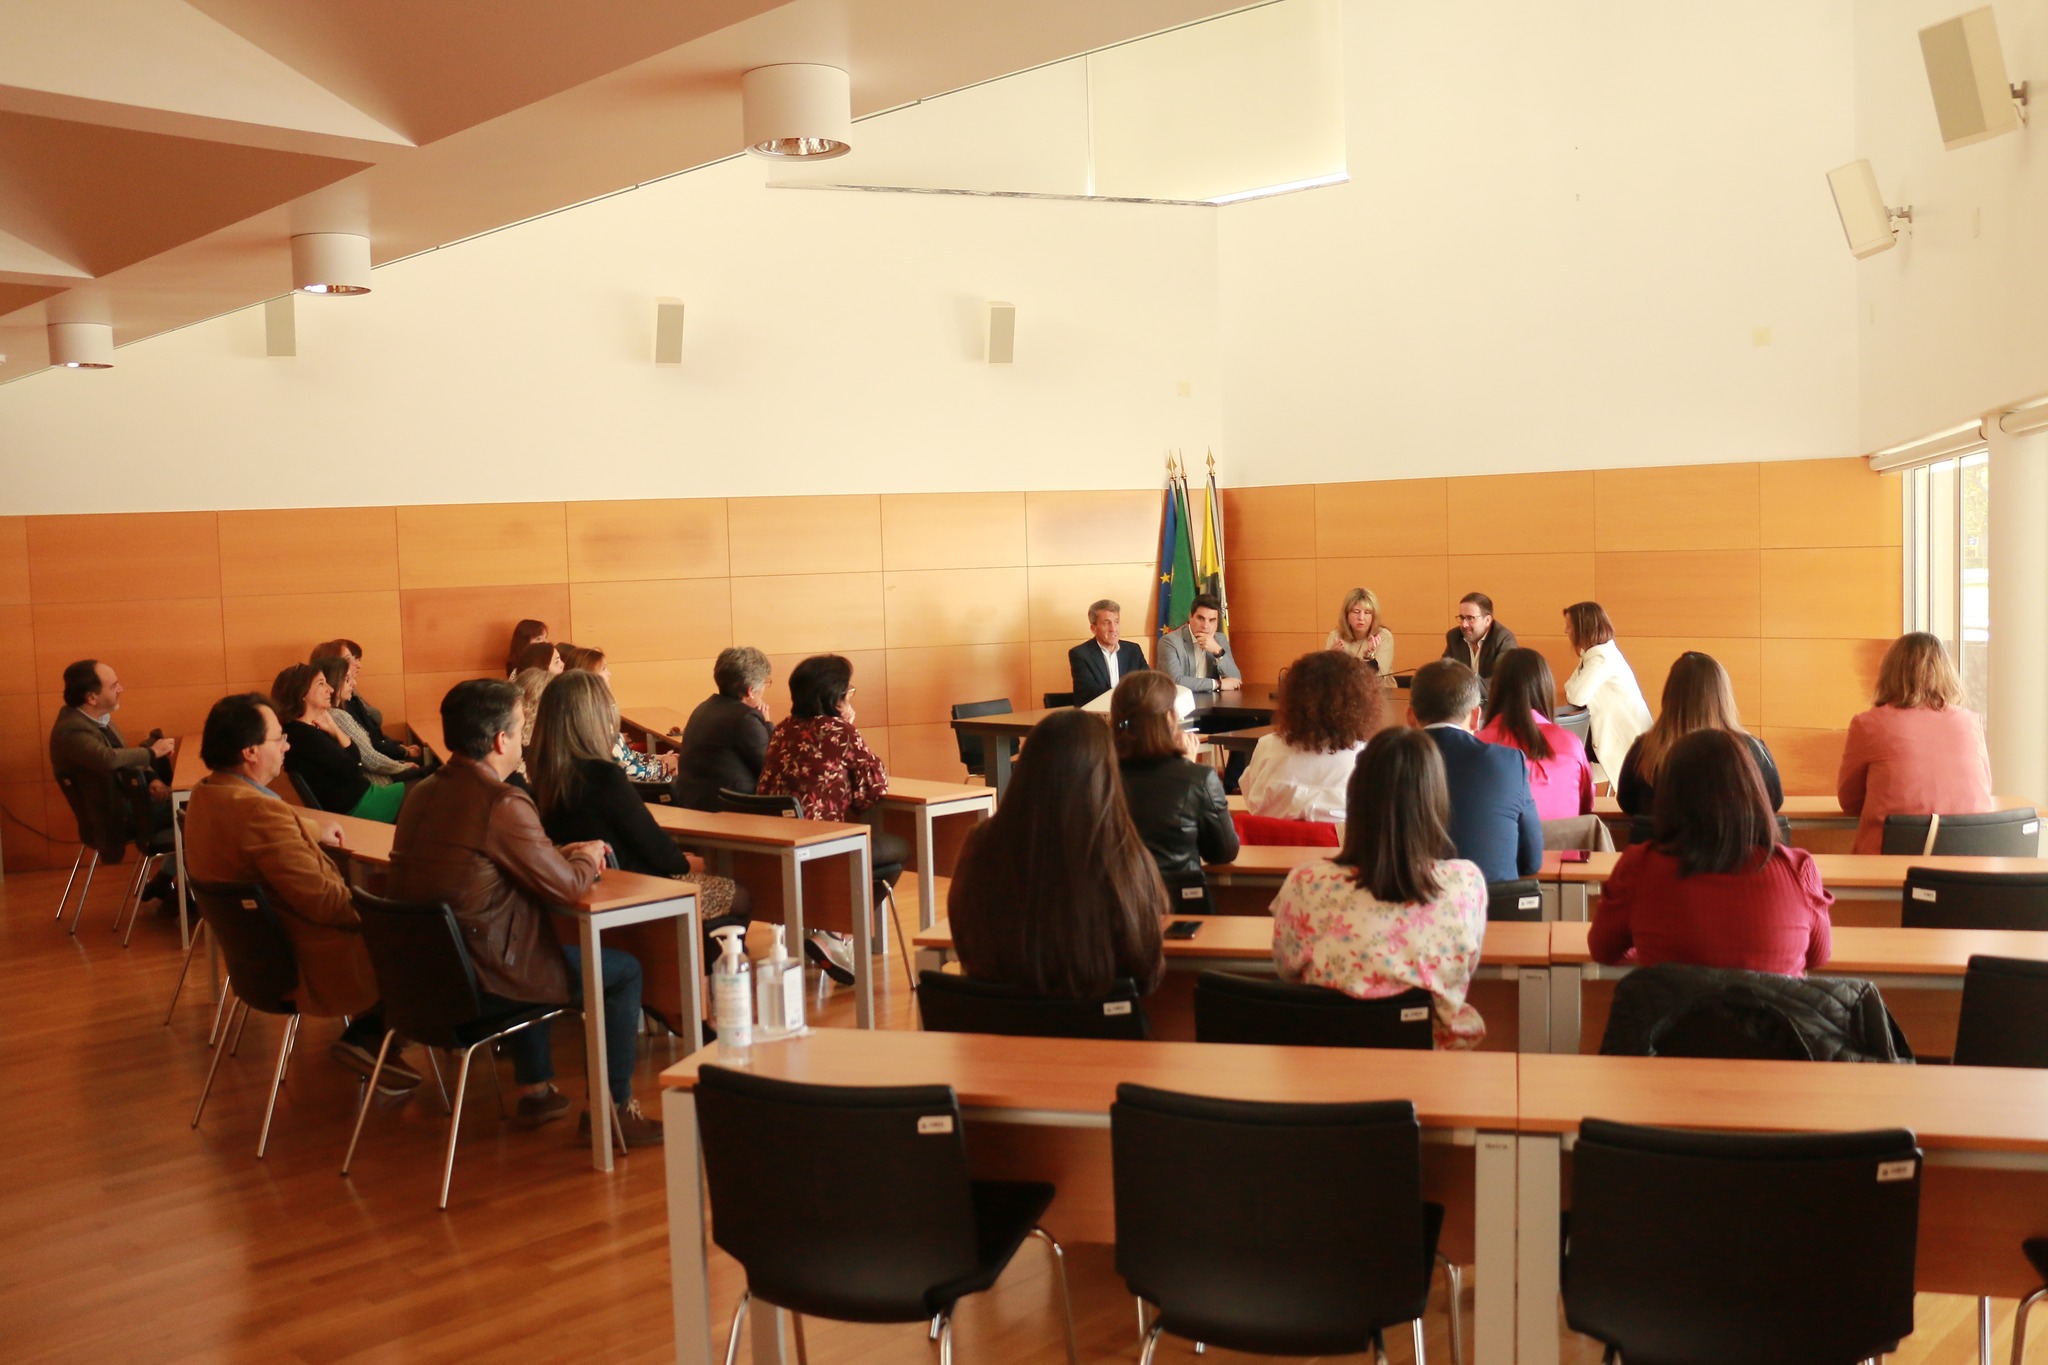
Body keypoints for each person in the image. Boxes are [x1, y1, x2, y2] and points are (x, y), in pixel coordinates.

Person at [386, 678, 661, 1145]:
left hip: (423, 980)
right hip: (486, 981)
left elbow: (486, 865)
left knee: (531, 937)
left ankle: (538, 1088)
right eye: (519, 730)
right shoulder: (502, 801)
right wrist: (586, 855)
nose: (523, 740)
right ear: (500, 740)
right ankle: (612, 1115)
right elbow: (569, 887)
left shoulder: (422, 792)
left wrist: (553, 851)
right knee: (621, 970)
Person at [181, 692, 420, 1093]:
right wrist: (389, 911)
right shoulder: (261, 814)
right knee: (425, 936)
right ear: (251, 751)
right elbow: (327, 903)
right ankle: (372, 1037)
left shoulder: (209, 794)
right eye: (280, 738)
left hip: (260, 962)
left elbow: (260, 826)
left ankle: (376, 1037)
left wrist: (311, 829)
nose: (288, 745)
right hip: (309, 959)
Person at [527, 670, 752, 1037]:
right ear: (597, 717)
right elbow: (657, 849)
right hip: (638, 889)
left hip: (589, 890)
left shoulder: (543, 775)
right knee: (739, 895)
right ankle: (698, 1002)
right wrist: (688, 863)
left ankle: (682, 990)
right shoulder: (604, 776)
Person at [1269, 728, 1489, 1048]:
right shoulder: (1465, 883)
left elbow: (1286, 969)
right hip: (1432, 1075)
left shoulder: (1305, 884)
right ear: (1436, 801)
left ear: (1355, 796)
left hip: (1321, 1069)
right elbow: (1462, 969)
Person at [947, 710, 1168, 998]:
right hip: (1098, 1033)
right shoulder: (1126, 857)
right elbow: (1146, 972)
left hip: (998, 1031)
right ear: (1106, 776)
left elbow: (965, 943)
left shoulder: (979, 846)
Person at [1590, 729, 1832, 975]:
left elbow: (1604, 950)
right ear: (1755, 792)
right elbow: (1818, 955)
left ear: (1667, 797)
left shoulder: (1638, 866)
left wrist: (1649, 948)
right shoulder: (1798, 869)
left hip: (1671, 1012)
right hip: (1771, 1013)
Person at [759, 654, 909, 982]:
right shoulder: (838, 730)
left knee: (870, 847)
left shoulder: (782, 729)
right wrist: (850, 727)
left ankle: (829, 929)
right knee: (896, 849)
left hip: (774, 845)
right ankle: (837, 933)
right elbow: (873, 789)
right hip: (821, 848)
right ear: (835, 696)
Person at [1837, 632, 1995, 855]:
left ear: (1888, 673)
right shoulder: (1971, 722)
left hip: (1889, 863)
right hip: (1970, 864)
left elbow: (1850, 801)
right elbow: (1984, 788)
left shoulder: (1868, 724)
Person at [1615, 651, 1782, 843]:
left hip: (1660, 866)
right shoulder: (1753, 750)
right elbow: (1774, 801)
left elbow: (1627, 803)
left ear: (1669, 697)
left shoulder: (1644, 750)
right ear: (1723, 697)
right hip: (1737, 865)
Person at [49, 659, 178, 901]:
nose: (121, 689)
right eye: (114, 685)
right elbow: (107, 759)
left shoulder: (97, 719)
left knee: (194, 808)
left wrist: (150, 778)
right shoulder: (71, 730)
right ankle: (190, 890)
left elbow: (123, 756)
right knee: (200, 811)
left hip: (129, 803)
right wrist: (153, 752)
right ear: (92, 697)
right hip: (112, 818)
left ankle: (163, 881)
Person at [1409, 660, 1542, 882]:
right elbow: (1532, 860)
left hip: (1409, 909)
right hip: (1492, 909)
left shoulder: (1381, 762)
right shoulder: (1508, 762)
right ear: (1475, 715)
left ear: (1410, 715)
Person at [1110, 670, 1239, 880]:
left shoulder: (1098, 776)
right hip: (1178, 900)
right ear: (1171, 717)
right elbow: (1222, 852)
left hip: (1111, 903)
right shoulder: (1197, 779)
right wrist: (1186, 768)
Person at [1242, 650, 1378, 824]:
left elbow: (1252, 804)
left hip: (1273, 848)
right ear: (1360, 703)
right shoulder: (1366, 758)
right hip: (1340, 849)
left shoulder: (1267, 746)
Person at [272, 663, 406, 822]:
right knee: (425, 791)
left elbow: (355, 758)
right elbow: (353, 769)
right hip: (360, 806)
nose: (330, 689)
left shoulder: (306, 729)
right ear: (301, 693)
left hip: (363, 797)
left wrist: (334, 729)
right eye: (321, 684)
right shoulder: (304, 736)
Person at [1475, 648, 1593, 822]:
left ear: (1496, 691)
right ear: (1546, 689)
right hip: (1564, 846)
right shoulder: (1571, 744)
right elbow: (1586, 807)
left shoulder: (1477, 747)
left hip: (1502, 848)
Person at [674, 646, 774, 811]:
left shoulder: (704, 707)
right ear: (750, 691)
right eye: (765, 683)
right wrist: (768, 722)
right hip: (727, 810)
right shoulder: (745, 717)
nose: (764, 689)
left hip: (693, 802)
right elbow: (770, 766)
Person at [563, 646, 678, 787]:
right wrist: (665, 767)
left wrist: (660, 759)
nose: (610, 674)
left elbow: (627, 757)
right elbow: (626, 770)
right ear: (589, 675)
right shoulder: (592, 719)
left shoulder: (592, 712)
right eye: (604, 669)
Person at [1560, 601, 1653, 770]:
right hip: (1616, 735)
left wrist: (1573, 687)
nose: (1565, 631)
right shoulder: (1592, 654)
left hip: (1627, 740)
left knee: (1567, 756)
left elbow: (1576, 696)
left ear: (1583, 629)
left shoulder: (1601, 658)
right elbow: (1570, 687)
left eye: (1569, 626)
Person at [314, 657, 422, 790]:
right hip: (378, 784)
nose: (353, 683)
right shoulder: (337, 716)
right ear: (333, 681)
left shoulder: (338, 712)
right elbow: (370, 758)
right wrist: (402, 766)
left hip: (378, 778)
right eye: (347, 679)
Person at [311, 639, 421, 765]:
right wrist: (402, 760)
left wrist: (402, 750)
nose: (357, 665)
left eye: (356, 659)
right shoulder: (338, 711)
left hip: (385, 761)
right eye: (347, 660)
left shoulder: (350, 695)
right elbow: (369, 754)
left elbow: (374, 737)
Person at [1067, 598, 1149, 705]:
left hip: (1131, 712)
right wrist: (1129, 695)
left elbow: (1148, 682)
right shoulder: (1080, 654)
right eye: (1106, 623)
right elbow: (1088, 693)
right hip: (1096, 715)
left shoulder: (1133, 650)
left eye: (1116, 622)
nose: (1113, 629)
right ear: (1093, 628)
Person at [1158, 593, 1241, 694]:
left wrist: (1218, 651)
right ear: (1190, 617)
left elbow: (1235, 680)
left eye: (1212, 620)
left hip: (1212, 702)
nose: (1205, 626)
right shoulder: (1169, 641)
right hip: (1182, 702)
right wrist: (1217, 684)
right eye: (1201, 618)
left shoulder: (1219, 639)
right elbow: (1175, 681)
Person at [1441, 592, 1518, 682]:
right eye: (1462, 618)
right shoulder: (1454, 636)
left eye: (1470, 618)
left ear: (1487, 620)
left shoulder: (1503, 639)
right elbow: (1444, 672)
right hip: (1462, 694)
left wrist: (1465, 683)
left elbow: (1501, 680)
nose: (1464, 624)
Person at [1325, 586, 1395, 674]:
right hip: (1344, 687)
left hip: (1380, 687)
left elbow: (1379, 677)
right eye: (1356, 612)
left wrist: (1368, 658)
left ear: (1374, 616)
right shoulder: (1336, 636)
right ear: (1346, 615)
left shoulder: (1383, 636)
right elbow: (1325, 676)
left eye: (1367, 613)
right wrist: (1330, 659)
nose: (1361, 618)